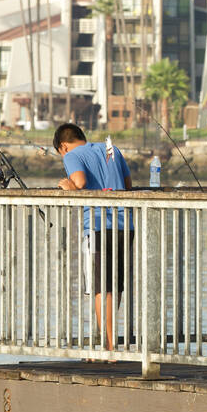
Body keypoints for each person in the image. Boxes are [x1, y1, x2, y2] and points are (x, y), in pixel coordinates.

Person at [54, 122, 133, 354]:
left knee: (100, 287)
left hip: (98, 226)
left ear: (63, 146)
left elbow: (80, 183)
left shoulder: (71, 155)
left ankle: (107, 347)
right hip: (124, 224)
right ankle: (112, 342)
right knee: (115, 285)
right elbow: (127, 185)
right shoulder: (112, 149)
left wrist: (68, 187)